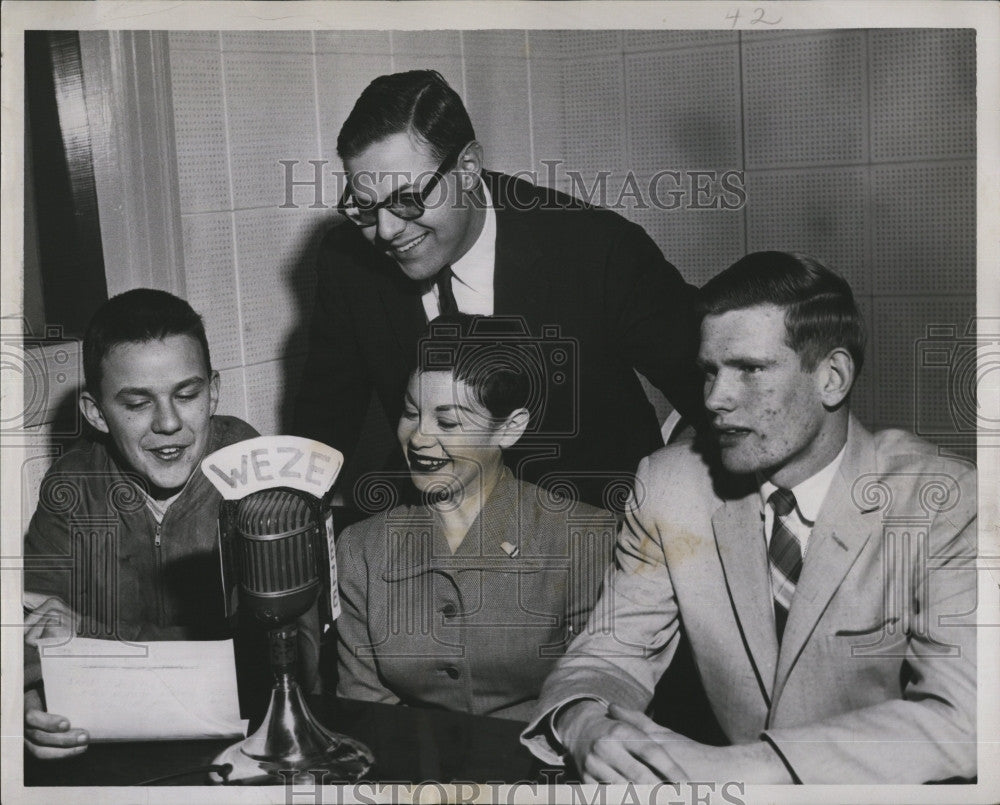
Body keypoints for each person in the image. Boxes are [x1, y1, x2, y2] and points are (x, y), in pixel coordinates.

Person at [521, 252, 977, 783]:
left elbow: (961, 719)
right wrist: (585, 727)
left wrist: (735, 768)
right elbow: (609, 652)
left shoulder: (947, 499)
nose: (715, 398)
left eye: (750, 370)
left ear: (832, 378)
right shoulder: (669, 486)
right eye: (710, 371)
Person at [294, 69, 704, 510]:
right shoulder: (348, 263)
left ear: (468, 168)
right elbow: (322, 427)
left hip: (600, 535)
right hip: (443, 539)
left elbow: (713, 393)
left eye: (409, 198)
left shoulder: (597, 249)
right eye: (366, 208)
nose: (388, 230)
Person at [22, 289, 318, 759]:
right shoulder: (71, 485)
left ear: (213, 391)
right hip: (107, 742)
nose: (168, 423)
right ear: (96, 412)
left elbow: (272, 659)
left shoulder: (259, 474)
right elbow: (30, 636)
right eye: (137, 403)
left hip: (243, 743)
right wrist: (31, 707)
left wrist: (89, 637)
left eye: (186, 394)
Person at [335, 314, 617, 720]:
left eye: (447, 422)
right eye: (411, 413)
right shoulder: (361, 549)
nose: (418, 438)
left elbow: (598, 696)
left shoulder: (583, 538)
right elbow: (365, 710)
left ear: (510, 429)